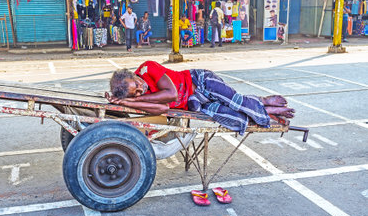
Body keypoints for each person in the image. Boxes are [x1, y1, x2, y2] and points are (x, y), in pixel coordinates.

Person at [107, 61, 295, 135]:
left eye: (137, 82)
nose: (142, 88)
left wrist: (133, 100)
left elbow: (171, 94)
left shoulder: (148, 68)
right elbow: (164, 109)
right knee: (232, 116)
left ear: (134, 74)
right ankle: (268, 112)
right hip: (194, 102)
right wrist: (127, 102)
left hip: (200, 81)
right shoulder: (138, 97)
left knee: (235, 101)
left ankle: (264, 101)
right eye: (137, 92)